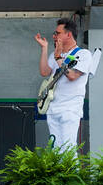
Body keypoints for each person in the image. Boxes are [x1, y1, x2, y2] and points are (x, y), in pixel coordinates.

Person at [35, 18, 97, 152]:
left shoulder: (83, 54)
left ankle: (72, 173)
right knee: (56, 150)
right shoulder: (55, 54)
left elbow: (73, 75)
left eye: (57, 33)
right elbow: (44, 72)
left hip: (70, 108)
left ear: (68, 35)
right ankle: (60, 173)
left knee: (68, 149)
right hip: (53, 107)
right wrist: (45, 48)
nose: (54, 36)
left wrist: (58, 58)